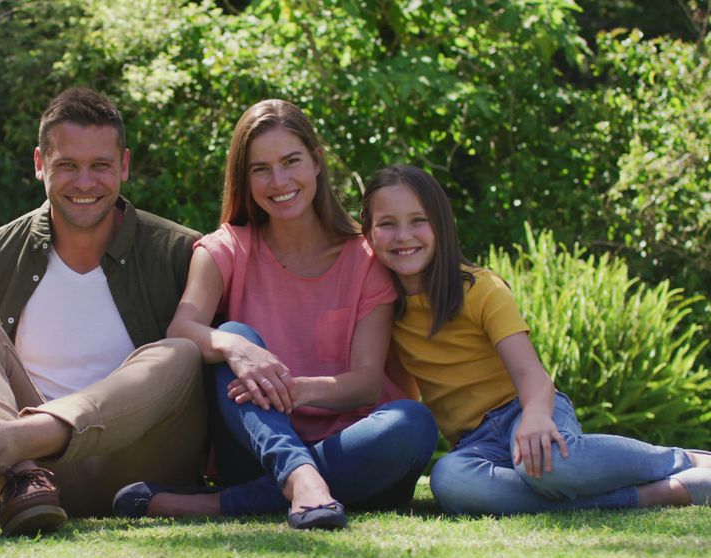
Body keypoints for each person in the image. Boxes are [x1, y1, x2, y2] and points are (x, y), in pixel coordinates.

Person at [113, 100, 438, 530]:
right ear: (244, 179)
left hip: (353, 450)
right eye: (260, 169)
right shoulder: (227, 247)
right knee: (230, 334)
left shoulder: (366, 258)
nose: (279, 181)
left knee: (414, 422)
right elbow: (182, 330)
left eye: (291, 161)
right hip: (256, 448)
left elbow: (364, 385)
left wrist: (292, 390)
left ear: (317, 162)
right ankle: (299, 477)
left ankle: (221, 503)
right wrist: (235, 346)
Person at [0, 87, 206, 536]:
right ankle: (9, 457)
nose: (85, 183)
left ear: (125, 166)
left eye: (101, 166)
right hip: (37, 478)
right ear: (40, 164)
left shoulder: (179, 250)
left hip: (141, 466)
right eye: (67, 166)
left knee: (182, 353)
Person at [360, 164, 711, 514]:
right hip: (474, 444)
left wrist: (536, 417)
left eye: (418, 220)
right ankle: (655, 495)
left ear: (441, 225)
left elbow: (531, 373)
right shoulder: (382, 310)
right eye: (387, 224)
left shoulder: (481, 289)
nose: (403, 235)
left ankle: (682, 461)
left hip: (524, 409)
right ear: (369, 234)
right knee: (449, 481)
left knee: (549, 465)